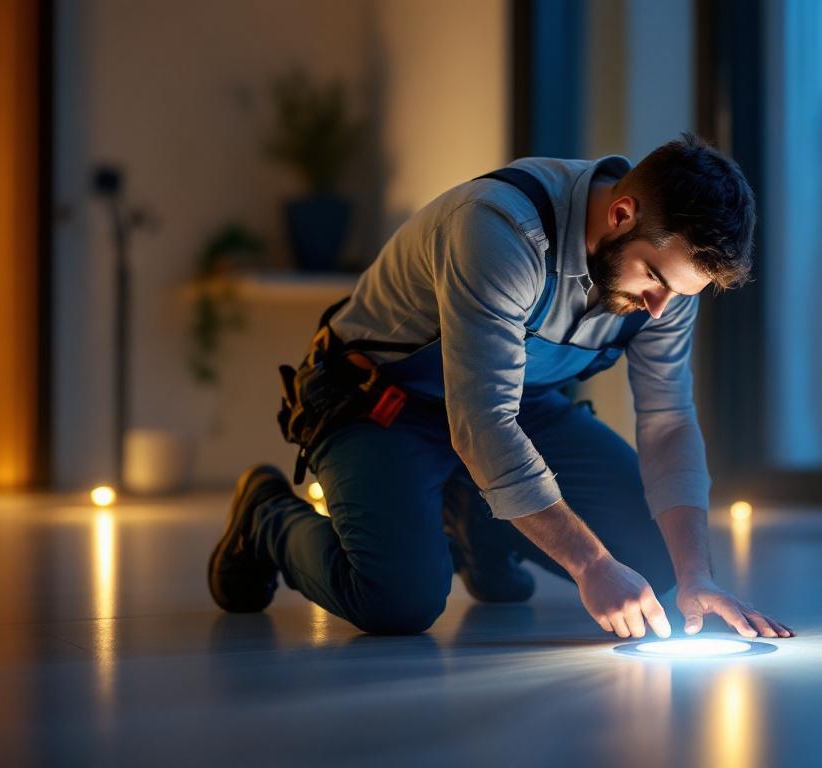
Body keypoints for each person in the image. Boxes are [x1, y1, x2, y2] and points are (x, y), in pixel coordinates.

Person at [208, 133, 791, 641]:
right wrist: (589, 565)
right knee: (397, 600)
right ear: (621, 215)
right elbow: (482, 420)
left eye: (681, 294)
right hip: (382, 402)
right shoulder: (501, 229)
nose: (660, 309)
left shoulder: (667, 287)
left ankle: (473, 515)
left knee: (654, 560)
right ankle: (265, 517)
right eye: (656, 280)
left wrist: (697, 576)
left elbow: (667, 419)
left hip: (524, 405)